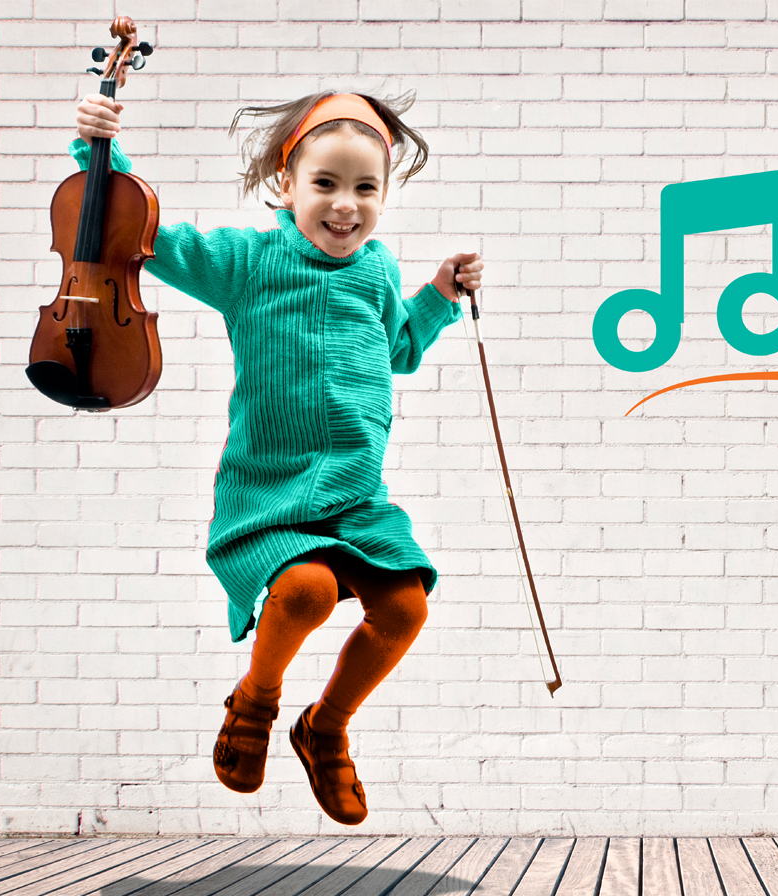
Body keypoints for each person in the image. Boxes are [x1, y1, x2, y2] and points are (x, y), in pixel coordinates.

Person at [73, 89, 483, 825]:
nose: (344, 205)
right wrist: (99, 152)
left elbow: (398, 352)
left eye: (365, 188)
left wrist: (439, 294)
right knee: (304, 593)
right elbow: (147, 234)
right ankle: (255, 703)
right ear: (286, 185)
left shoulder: (377, 270)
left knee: (405, 605)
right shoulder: (249, 262)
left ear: (386, 195)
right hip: (270, 495)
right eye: (325, 184)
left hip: (357, 498)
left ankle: (324, 727)